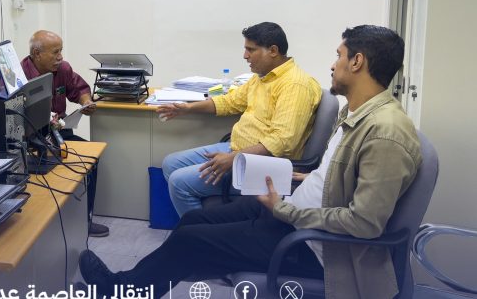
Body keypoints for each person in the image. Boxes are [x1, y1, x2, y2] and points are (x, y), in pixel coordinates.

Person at [80, 25, 421, 299]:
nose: (333, 65)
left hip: (314, 247)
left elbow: (364, 223)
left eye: (339, 56)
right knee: (194, 220)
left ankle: (121, 288)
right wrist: (305, 182)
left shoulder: (386, 133)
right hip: (292, 212)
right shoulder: (357, 114)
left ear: (357, 62)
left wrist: (284, 209)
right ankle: (156, 276)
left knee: (190, 240)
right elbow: (341, 176)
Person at [158, 22, 321, 215]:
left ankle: (201, 230)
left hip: (264, 165)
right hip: (238, 149)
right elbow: (230, 101)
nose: (245, 56)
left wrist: (234, 159)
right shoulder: (263, 77)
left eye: (250, 50)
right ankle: (213, 221)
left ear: (273, 51)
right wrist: (188, 108)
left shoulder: (295, 85)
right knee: (170, 163)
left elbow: (282, 140)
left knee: (179, 183)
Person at [21, 30, 108, 238]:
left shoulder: (63, 69)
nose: (60, 57)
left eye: (61, 51)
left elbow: (79, 90)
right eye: (55, 52)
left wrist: (86, 102)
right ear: (37, 54)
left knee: (90, 159)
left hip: (58, 131)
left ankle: (85, 219)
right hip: (30, 137)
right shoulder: (19, 75)